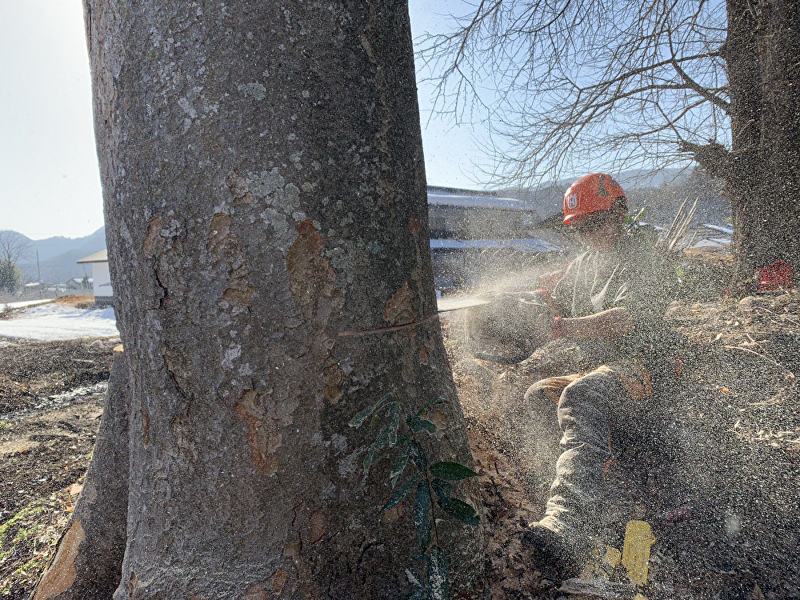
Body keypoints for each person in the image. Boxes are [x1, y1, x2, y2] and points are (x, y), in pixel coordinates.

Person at [520, 173, 680, 576]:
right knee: (539, 393)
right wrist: (532, 302)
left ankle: (569, 520)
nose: (591, 235)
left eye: (597, 223)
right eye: (582, 228)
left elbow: (625, 319)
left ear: (620, 211)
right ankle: (588, 487)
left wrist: (561, 326)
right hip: (604, 369)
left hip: (647, 366)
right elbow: (557, 297)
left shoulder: (644, 258)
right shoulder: (583, 264)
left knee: (579, 395)